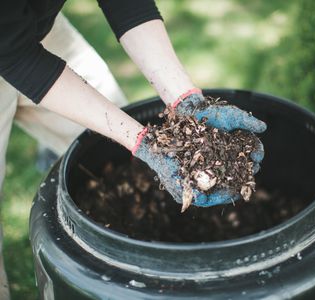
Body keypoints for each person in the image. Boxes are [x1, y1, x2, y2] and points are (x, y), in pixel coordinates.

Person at [0, 0, 266, 298]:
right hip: (11, 44)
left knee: (111, 161)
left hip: (29, 30)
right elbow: (15, 55)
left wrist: (186, 100)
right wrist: (143, 141)